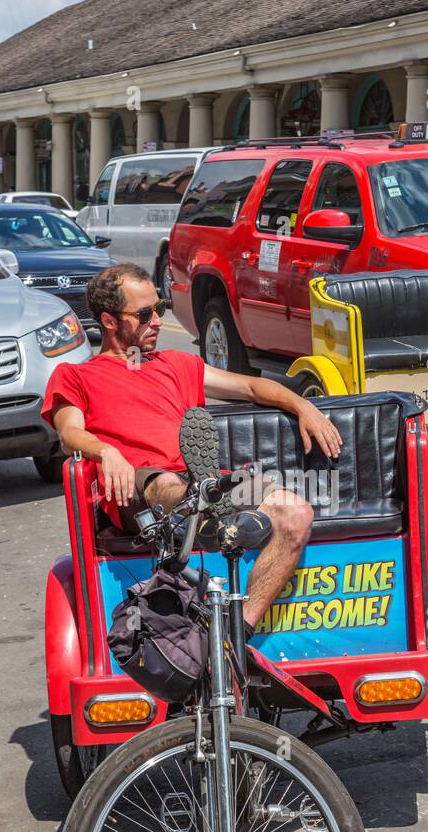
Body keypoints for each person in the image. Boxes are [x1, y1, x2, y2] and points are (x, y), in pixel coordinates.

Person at [42, 264, 342, 636]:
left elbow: (250, 388)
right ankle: (205, 504)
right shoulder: (76, 376)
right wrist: (106, 452)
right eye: (143, 314)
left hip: (197, 483)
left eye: (160, 309)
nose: (156, 321)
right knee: (166, 481)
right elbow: (69, 433)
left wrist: (303, 406)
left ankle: (238, 632)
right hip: (138, 487)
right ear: (108, 321)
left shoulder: (176, 364)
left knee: (296, 512)